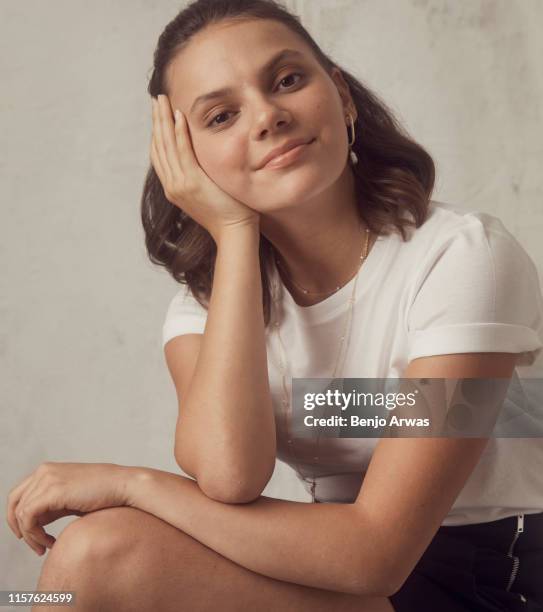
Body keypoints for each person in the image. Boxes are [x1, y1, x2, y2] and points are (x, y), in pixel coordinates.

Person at [6, 1, 543, 611]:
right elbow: (230, 477)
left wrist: (132, 484)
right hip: (330, 568)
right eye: (220, 116)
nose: (266, 117)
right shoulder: (203, 311)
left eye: (288, 80)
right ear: (184, 160)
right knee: (87, 560)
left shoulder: (465, 260)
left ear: (340, 94)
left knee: (96, 554)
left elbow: (377, 552)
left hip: (485, 580)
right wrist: (235, 234)